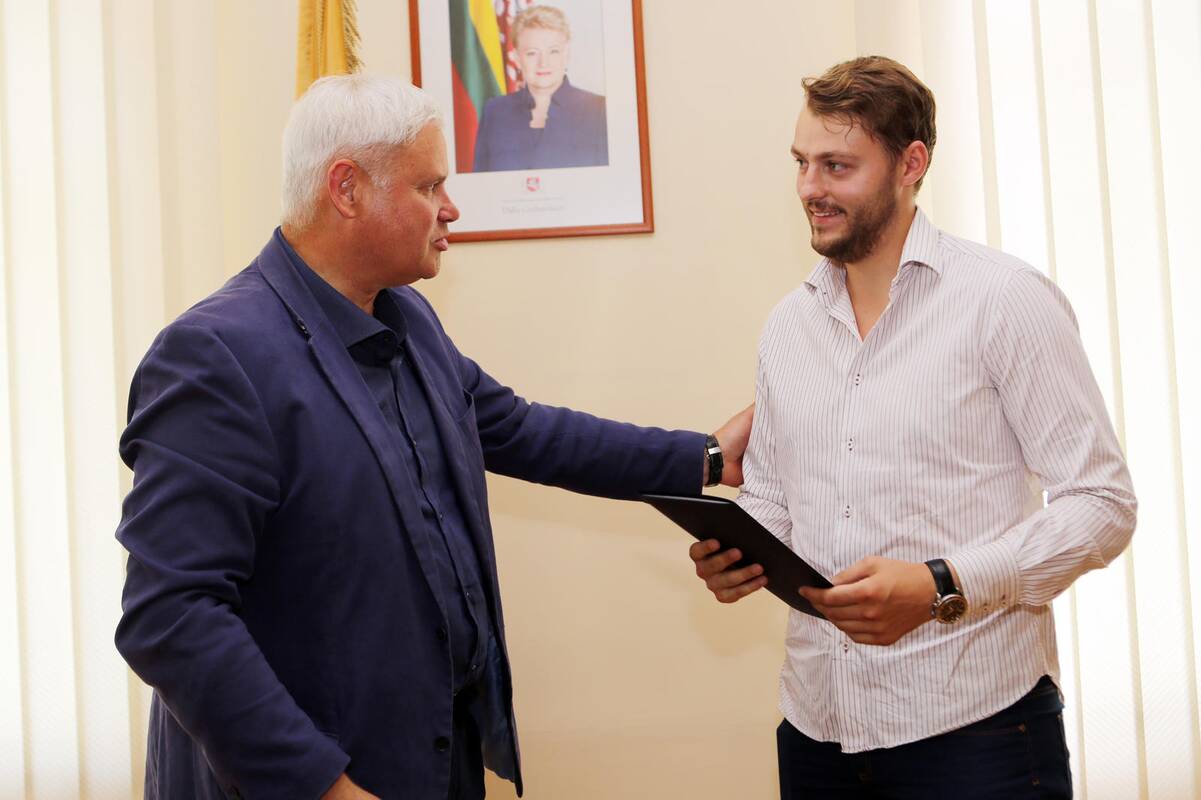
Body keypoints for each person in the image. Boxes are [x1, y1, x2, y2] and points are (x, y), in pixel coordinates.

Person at [114, 74, 750, 800]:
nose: (450, 208)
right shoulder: (215, 355)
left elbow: (523, 430)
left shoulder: (406, 318)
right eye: (428, 186)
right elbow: (170, 614)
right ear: (347, 189)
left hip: (431, 758)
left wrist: (704, 459)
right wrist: (323, 787)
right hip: (312, 778)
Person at [689, 56, 1135, 799]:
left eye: (836, 166)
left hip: (978, 735)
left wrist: (941, 585)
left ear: (910, 164)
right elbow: (774, 499)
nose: (809, 188)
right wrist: (739, 552)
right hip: (816, 731)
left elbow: (1102, 504)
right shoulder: (787, 327)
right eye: (801, 163)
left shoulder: (1005, 300)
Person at [471, 4, 608, 172]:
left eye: (553, 51)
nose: (543, 63)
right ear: (517, 57)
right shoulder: (495, 112)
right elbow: (482, 182)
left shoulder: (598, 111)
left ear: (566, 54)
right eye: (532, 53)